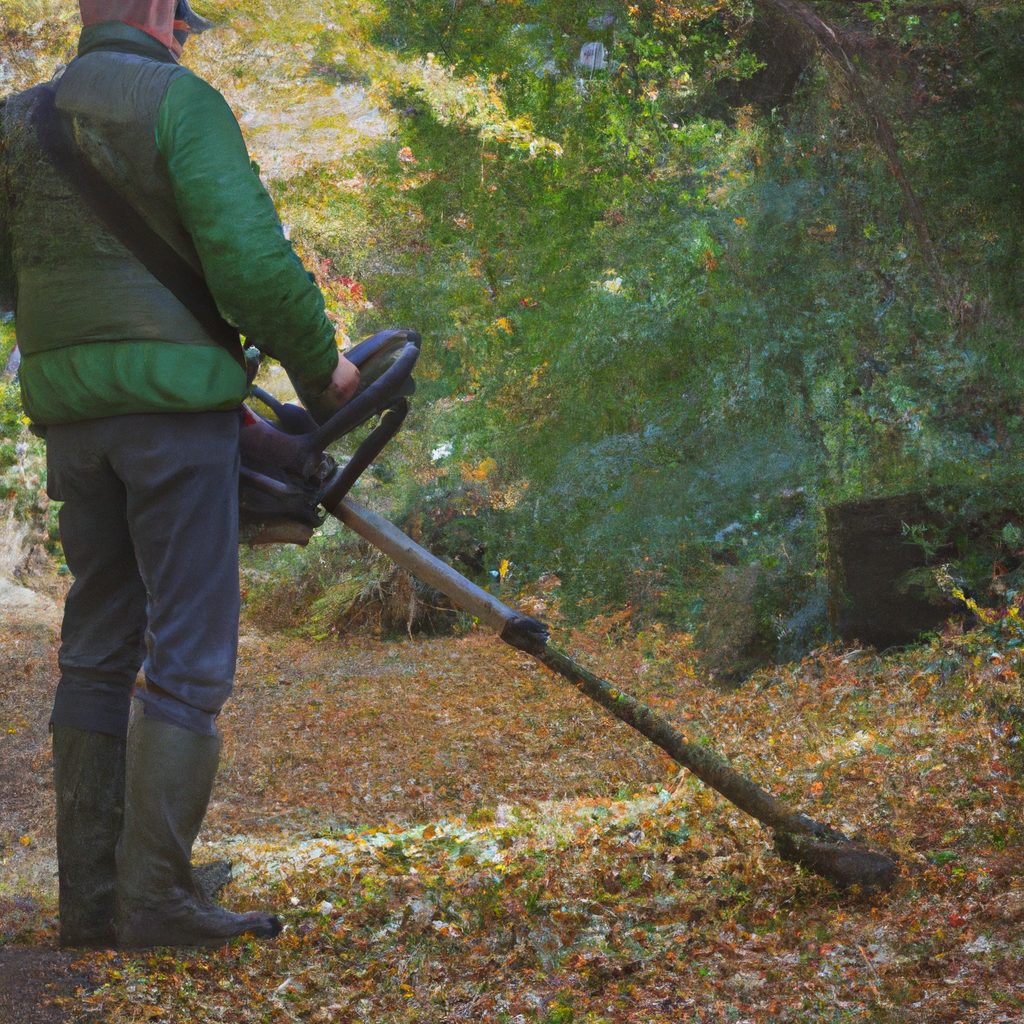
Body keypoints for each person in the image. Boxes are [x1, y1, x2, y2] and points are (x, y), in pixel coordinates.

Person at [0, 0, 359, 948]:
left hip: (74, 424)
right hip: (175, 423)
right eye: (185, 21)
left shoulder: (12, 125)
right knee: (191, 652)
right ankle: (154, 895)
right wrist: (323, 368)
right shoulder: (180, 105)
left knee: (98, 638)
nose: (186, 35)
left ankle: (90, 895)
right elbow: (249, 263)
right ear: (157, 11)